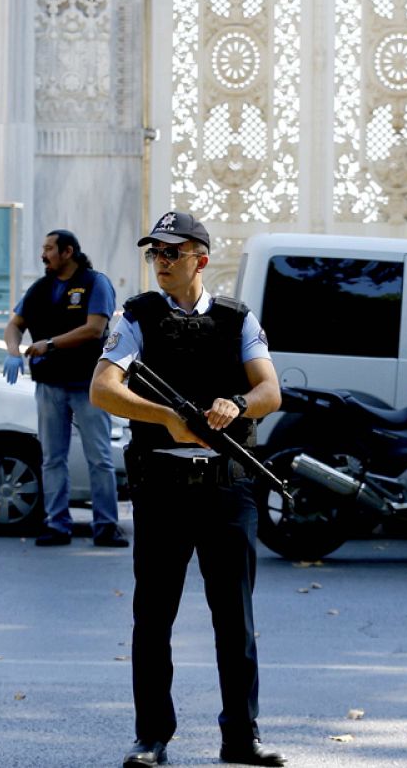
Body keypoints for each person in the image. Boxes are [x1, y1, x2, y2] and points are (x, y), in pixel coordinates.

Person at [90, 211, 286, 768]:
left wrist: (236, 405)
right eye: (155, 253)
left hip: (227, 489)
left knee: (235, 621)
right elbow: (104, 389)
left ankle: (240, 738)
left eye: (172, 253)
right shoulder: (136, 316)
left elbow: (270, 390)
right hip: (163, 488)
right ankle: (151, 737)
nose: (161, 262)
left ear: (201, 257)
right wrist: (167, 419)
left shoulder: (237, 318)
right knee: (153, 619)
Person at [3, 230, 126, 548]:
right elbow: (15, 323)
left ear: (67, 251)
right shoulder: (40, 288)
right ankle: (56, 524)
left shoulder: (95, 282)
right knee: (52, 458)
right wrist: (13, 351)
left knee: (99, 457)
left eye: (48, 249)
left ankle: (106, 526)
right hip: (50, 386)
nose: (43, 255)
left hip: (88, 385)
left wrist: (50, 343)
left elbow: (94, 329)